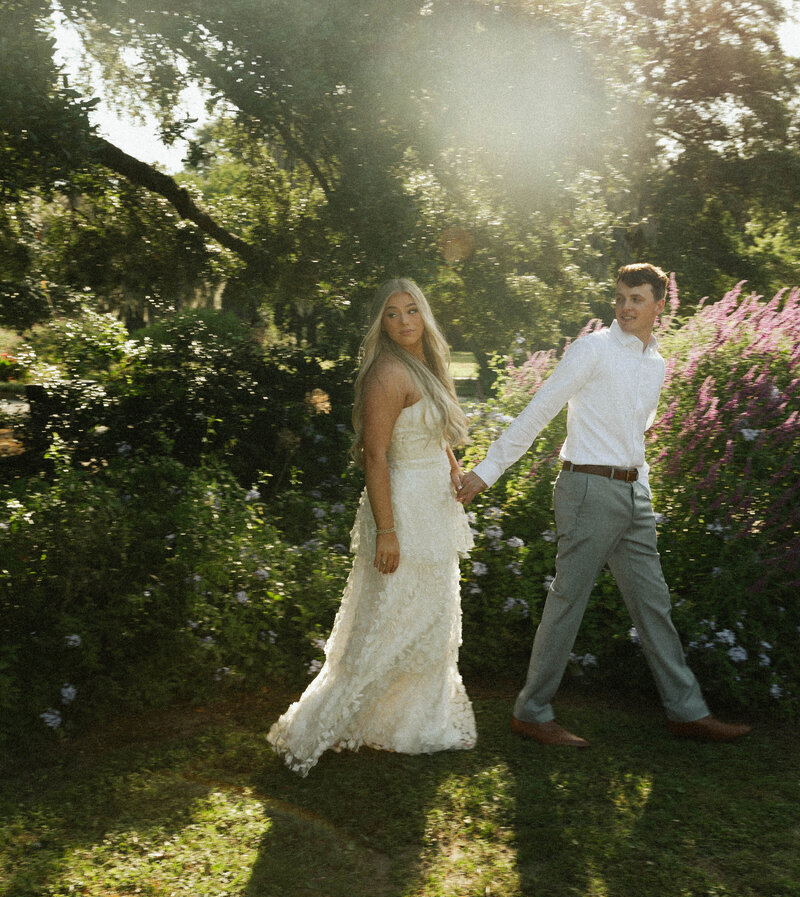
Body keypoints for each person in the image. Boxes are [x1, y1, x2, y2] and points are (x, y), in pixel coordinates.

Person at [457, 263, 751, 747]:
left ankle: (686, 711)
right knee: (568, 601)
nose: (626, 307)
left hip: (634, 494)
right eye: (620, 298)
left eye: (637, 298)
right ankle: (530, 712)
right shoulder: (592, 350)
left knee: (653, 604)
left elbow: (636, 433)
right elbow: (539, 410)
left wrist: (643, 488)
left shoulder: (655, 362)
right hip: (588, 489)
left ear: (660, 305)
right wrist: (487, 472)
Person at [268, 278, 476, 775]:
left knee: (430, 617)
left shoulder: (425, 363)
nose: (404, 321)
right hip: (400, 503)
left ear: (423, 314)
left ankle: (408, 723)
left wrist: (451, 466)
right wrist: (387, 530)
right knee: (387, 621)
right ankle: (328, 723)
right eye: (392, 313)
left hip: (433, 502)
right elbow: (376, 455)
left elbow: (435, 429)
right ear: (379, 322)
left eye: (411, 311)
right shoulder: (385, 373)